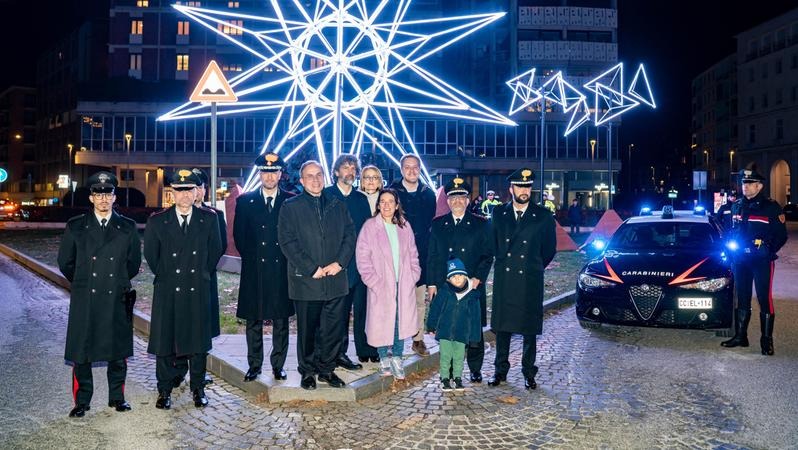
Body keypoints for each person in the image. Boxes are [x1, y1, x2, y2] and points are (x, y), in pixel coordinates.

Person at [57, 171, 141, 418]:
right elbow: (65, 262)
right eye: (98, 194)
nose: (103, 199)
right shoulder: (76, 226)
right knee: (82, 351)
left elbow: (133, 263)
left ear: (114, 197)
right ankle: (82, 401)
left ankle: (117, 398)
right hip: (86, 296)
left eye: (108, 194)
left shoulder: (127, 227)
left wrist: (117, 281)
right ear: (91, 198)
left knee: (117, 351)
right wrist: (83, 282)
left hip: (116, 295)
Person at [144, 169, 223, 409]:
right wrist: (168, 276)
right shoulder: (158, 220)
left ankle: (198, 389)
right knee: (165, 343)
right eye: (180, 190)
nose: (185, 195)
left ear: (196, 191)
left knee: (198, 343)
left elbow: (215, 251)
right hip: (168, 289)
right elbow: (152, 256)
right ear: (173, 192)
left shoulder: (208, 219)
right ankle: (164, 390)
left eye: (190, 189)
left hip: (197, 287)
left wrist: (201, 275)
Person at [278, 160, 356, 390]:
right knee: (308, 331)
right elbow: (287, 242)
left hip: (335, 279)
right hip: (306, 281)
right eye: (310, 176)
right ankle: (308, 371)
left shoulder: (337, 204)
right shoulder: (290, 207)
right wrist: (311, 268)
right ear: (302, 181)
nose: (315, 179)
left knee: (332, 330)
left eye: (319, 174)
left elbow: (350, 235)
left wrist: (339, 263)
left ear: (324, 177)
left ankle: (327, 369)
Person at [488, 168, 556, 390]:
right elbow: (493, 242)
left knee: (529, 329)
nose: (524, 190)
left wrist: (533, 266)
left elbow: (549, 249)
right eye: (519, 186)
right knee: (503, 328)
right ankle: (500, 371)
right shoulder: (499, 213)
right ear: (511, 189)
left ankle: (528, 372)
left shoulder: (543, 215)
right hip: (506, 278)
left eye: (527, 186)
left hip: (529, 278)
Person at [233, 153, 295, 383]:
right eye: (265, 172)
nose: (269, 177)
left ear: (280, 174)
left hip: (281, 269)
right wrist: (253, 259)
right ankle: (254, 365)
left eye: (274, 172)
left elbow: (293, 236)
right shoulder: (245, 201)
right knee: (253, 319)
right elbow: (240, 237)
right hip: (255, 269)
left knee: (281, 320)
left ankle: (278, 365)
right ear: (259, 174)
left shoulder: (290, 200)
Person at [427, 177, 493, 383]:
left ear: (467, 200)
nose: (457, 201)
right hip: (446, 286)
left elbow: (487, 255)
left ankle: (475, 368)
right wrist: (432, 283)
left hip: (471, 284)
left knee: (473, 328)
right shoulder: (438, 224)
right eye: (453, 198)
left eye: (461, 197)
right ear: (447, 201)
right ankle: (448, 368)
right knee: (448, 325)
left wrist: (478, 278)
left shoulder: (481, 224)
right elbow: (432, 256)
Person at [721, 164, 787, 355]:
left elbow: (781, 235)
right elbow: (730, 231)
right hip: (741, 260)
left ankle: (766, 341)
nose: (746, 186)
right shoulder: (736, 205)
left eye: (750, 183)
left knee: (764, 298)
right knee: (742, 297)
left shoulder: (771, 207)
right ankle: (741, 337)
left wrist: (768, 250)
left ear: (759, 186)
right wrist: (730, 251)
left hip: (761, 261)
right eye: (744, 183)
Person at [355, 189, 421, 380]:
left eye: (390, 201)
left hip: (403, 282)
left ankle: (397, 357)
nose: (386, 205)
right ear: (378, 205)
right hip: (381, 284)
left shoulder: (404, 226)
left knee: (400, 321)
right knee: (381, 321)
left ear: (397, 205)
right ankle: (384, 357)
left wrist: (413, 275)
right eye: (382, 201)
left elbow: (413, 254)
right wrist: (374, 281)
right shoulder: (370, 227)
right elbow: (362, 258)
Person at [323, 155, 374, 368]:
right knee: (338, 314)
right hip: (335, 265)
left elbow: (368, 231)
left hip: (359, 265)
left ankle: (365, 350)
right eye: (345, 167)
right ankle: (338, 353)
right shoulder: (326, 195)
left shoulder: (360, 199)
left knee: (362, 310)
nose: (350, 171)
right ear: (336, 172)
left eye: (353, 168)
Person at [389, 154, 436, 356]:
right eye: (407, 167)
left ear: (420, 169)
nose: (411, 171)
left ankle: (418, 339)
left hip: (421, 254)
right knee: (394, 301)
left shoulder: (428, 194)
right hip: (396, 254)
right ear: (401, 170)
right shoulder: (391, 192)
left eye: (415, 167)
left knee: (418, 300)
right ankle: (392, 340)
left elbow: (431, 224)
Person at [426, 258, 482, 391]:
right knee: (445, 356)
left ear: (466, 276)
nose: (457, 279)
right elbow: (435, 309)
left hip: (462, 333)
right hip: (445, 332)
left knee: (459, 357)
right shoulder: (444, 292)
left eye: (460, 275)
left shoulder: (472, 296)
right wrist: (431, 325)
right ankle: (445, 378)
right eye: (453, 276)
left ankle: (457, 378)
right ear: (448, 279)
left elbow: (476, 318)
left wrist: (474, 338)